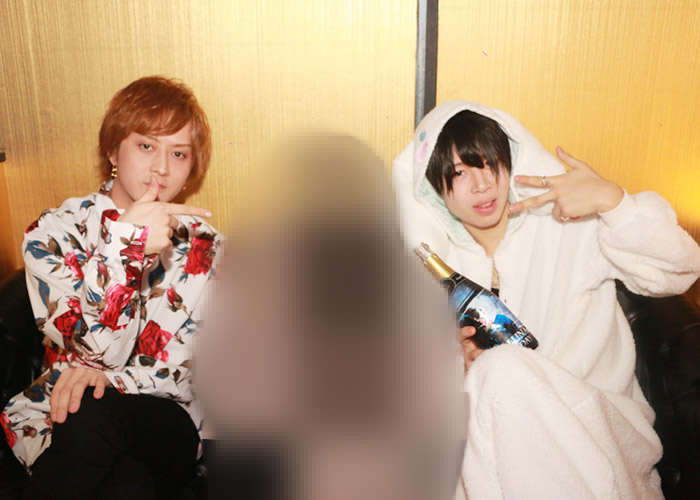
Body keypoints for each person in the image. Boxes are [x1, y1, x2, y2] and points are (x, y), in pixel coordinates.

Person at [392, 100, 700, 499]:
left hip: (593, 427)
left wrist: (614, 202)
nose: (481, 184)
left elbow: (679, 270)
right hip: (494, 452)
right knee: (492, 376)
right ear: (434, 190)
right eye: (458, 173)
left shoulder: (568, 227)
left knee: (502, 369)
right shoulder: (435, 275)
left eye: (488, 163)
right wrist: (465, 372)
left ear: (511, 161)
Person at [0, 76, 221, 498]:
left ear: (191, 167)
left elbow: (190, 375)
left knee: (93, 402)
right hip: (68, 419)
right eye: (146, 146)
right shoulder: (54, 235)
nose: (162, 168)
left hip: (163, 424)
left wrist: (107, 381)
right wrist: (126, 249)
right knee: (124, 484)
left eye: (178, 153)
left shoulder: (207, 250)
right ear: (113, 150)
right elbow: (98, 350)